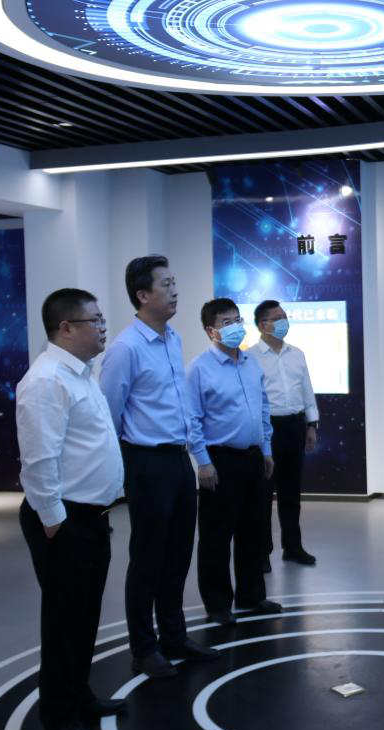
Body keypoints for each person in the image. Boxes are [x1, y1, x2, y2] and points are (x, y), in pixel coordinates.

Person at [16, 289, 125, 730]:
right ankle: (59, 720)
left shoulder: (81, 373)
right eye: (94, 320)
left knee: (84, 616)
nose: (102, 327)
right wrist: (55, 521)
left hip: (91, 516)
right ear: (65, 328)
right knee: (63, 622)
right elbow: (39, 460)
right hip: (65, 520)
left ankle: (79, 695)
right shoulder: (46, 380)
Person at [99, 255, 218, 681]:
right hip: (146, 462)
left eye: (174, 282)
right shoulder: (125, 349)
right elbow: (109, 415)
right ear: (142, 294)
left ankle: (174, 637)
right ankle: (143, 649)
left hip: (178, 460)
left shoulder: (172, 339)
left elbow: (181, 405)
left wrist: (197, 455)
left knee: (178, 554)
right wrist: (120, 473)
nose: (175, 290)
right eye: (165, 284)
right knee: (147, 559)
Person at [189, 298, 281, 627]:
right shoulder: (199, 368)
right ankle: (217, 604)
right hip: (220, 461)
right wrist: (202, 461)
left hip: (254, 457)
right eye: (226, 322)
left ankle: (251, 596)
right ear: (211, 330)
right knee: (216, 535)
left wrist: (266, 449)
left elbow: (264, 408)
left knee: (253, 530)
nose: (235, 327)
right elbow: (191, 419)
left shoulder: (251, 363)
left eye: (237, 320)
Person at [252, 300, 319, 567]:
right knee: (262, 494)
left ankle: (293, 547)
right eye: (277, 318)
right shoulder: (250, 357)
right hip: (267, 429)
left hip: (295, 426)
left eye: (284, 317)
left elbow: (307, 390)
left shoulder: (297, 354)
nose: (283, 322)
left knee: (291, 492)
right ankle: (262, 552)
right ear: (262, 324)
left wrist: (311, 425)